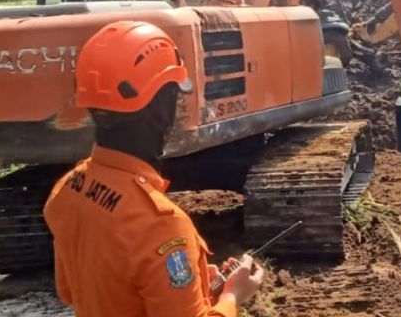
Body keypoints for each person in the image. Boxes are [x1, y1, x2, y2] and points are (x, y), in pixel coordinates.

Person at [44, 21, 264, 317]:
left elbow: (70, 291)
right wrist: (232, 296)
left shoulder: (69, 188)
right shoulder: (161, 226)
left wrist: (192, 283)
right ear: (163, 108)